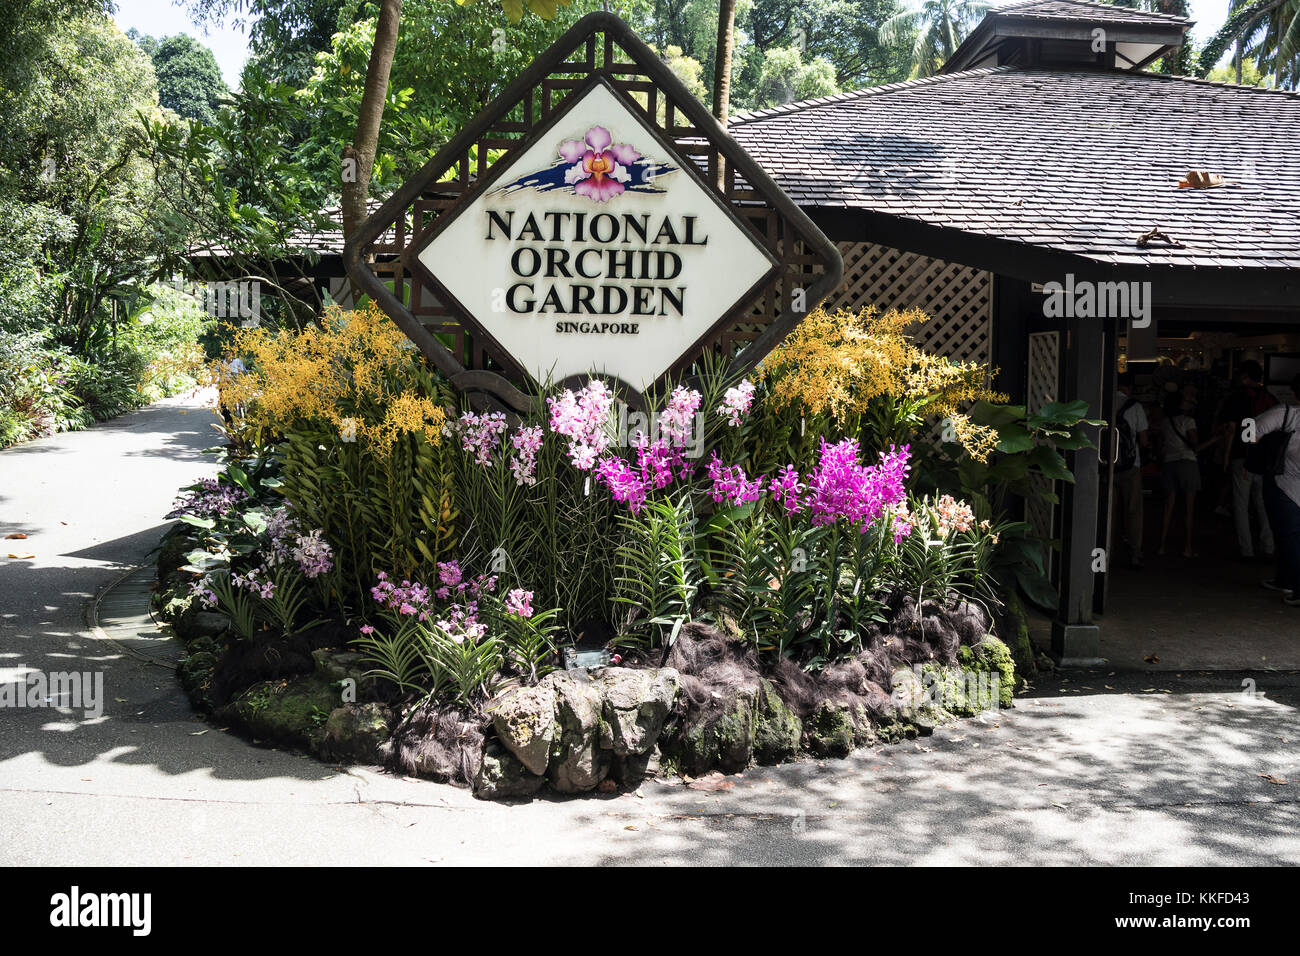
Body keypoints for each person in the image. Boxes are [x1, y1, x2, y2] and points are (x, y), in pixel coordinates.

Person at [1219, 360, 1276, 561]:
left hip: (1242, 457)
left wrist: (1225, 457)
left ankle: (1247, 550)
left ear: (1245, 377)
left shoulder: (1237, 398)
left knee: (1241, 505)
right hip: (1264, 460)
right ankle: (1268, 546)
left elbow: (1231, 430)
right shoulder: (1270, 398)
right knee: (1263, 505)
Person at [1258, 374, 1300, 606]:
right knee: (1290, 537)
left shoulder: (1287, 414)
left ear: (1294, 393)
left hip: (1285, 483)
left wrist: (1254, 443)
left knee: (1289, 536)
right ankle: (1285, 579)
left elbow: (1250, 430)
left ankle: (1295, 584)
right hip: (1290, 484)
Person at [1158, 393, 1203, 558]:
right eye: (1185, 400)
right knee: (1189, 509)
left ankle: (1162, 546)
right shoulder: (1189, 421)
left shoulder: (1165, 423)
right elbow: (1195, 446)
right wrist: (1217, 438)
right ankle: (1187, 548)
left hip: (1169, 464)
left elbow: (1160, 446)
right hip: (1187, 463)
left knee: (1168, 507)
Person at [1113, 374, 1150, 568]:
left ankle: (1106, 551)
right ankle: (1135, 552)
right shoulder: (1135, 407)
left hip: (1106, 466)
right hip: (1130, 466)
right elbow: (1143, 440)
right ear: (1129, 388)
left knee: (1108, 510)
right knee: (1134, 510)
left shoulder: (1103, 402)